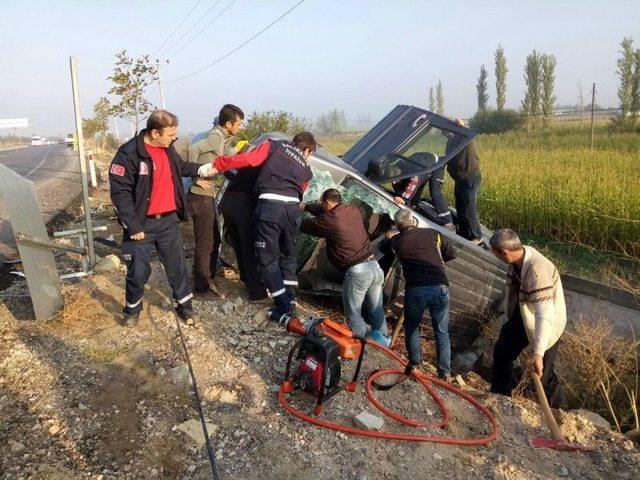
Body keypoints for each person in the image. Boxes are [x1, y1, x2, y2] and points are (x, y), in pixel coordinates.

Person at [109, 110, 214, 326]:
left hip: (168, 221)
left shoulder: (167, 149)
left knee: (177, 266)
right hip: (141, 224)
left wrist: (203, 169)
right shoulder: (129, 154)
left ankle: (185, 306)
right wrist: (132, 224)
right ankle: (132, 310)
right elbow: (120, 193)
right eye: (170, 134)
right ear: (155, 132)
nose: (174, 138)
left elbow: (181, 167)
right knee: (138, 270)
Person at [207, 132, 315, 322]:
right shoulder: (307, 169)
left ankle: (282, 307)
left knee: (267, 259)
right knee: (288, 256)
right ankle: (290, 300)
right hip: (292, 210)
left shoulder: (273, 146)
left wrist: (218, 163)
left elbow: (249, 159)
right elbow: (301, 190)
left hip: (270, 206)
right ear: (307, 150)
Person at [488, 228, 568, 408]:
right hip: (523, 318)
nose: (496, 257)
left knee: (543, 373)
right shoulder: (517, 260)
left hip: (547, 324)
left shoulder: (538, 271)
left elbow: (544, 314)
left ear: (505, 252)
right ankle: (499, 397)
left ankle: (561, 410)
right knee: (502, 352)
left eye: (496, 254)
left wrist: (538, 353)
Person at [300, 188, 390, 345]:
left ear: (326, 202)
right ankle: (383, 344)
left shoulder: (330, 221)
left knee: (353, 313)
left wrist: (290, 214)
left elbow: (307, 226)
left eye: (322, 203)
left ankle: (359, 345)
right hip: (374, 266)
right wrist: (307, 207)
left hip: (358, 271)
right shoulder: (352, 210)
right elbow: (325, 211)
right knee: (376, 309)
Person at [380, 208, 456, 379]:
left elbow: (384, 247)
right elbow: (451, 254)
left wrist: (390, 235)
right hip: (440, 287)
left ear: (398, 226)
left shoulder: (397, 241)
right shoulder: (433, 233)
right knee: (441, 332)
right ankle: (445, 373)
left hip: (416, 290)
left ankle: (415, 364)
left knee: (411, 327)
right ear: (413, 220)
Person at [186, 104, 245, 298]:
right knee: (206, 243)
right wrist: (196, 176)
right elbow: (193, 150)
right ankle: (201, 287)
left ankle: (207, 279)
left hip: (206, 196)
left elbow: (219, 159)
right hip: (200, 196)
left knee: (214, 238)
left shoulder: (221, 138)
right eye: (239, 124)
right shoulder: (215, 137)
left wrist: (235, 155)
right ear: (228, 124)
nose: (240, 127)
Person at [219, 152, 269, 304]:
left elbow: (229, 173)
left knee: (240, 246)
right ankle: (256, 293)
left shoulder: (247, 163)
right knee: (249, 248)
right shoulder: (265, 166)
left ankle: (247, 280)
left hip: (228, 204)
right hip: (243, 205)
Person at [446, 119, 483, 243]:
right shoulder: (450, 141)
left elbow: (467, 132)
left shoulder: (464, 138)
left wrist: (460, 125)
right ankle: (464, 233)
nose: (444, 133)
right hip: (460, 179)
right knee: (460, 208)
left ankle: (477, 236)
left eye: (446, 129)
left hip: (470, 177)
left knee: (469, 208)